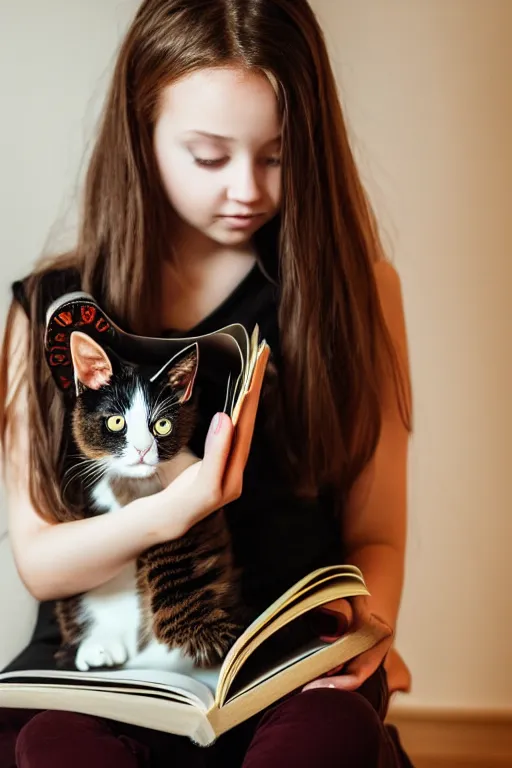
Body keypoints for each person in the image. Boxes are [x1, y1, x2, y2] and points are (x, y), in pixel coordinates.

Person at [0, 0, 414, 766]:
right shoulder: (53, 307)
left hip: (279, 671)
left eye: (279, 155)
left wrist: (372, 627)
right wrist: (175, 510)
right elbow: (39, 558)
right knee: (53, 749)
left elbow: (377, 533)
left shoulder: (359, 290)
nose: (248, 189)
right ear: (141, 132)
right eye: (208, 155)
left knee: (326, 740)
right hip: (101, 667)